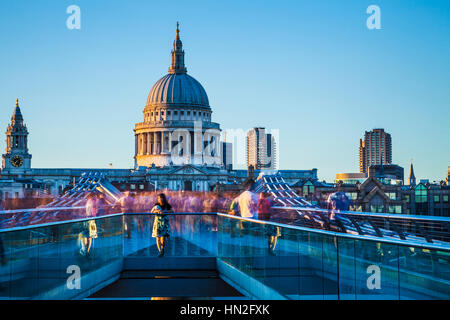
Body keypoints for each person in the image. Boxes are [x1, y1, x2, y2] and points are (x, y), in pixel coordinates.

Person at [151, 193, 173, 257]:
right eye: (158, 198)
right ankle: (160, 251)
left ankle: (162, 249)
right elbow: (152, 211)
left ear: (164, 198)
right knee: (157, 238)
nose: (160, 199)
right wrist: (157, 211)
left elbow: (172, 211)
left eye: (161, 198)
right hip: (157, 222)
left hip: (164, 223)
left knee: (163, 238)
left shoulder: (167, 205)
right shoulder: (156, 205)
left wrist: (165, 211)